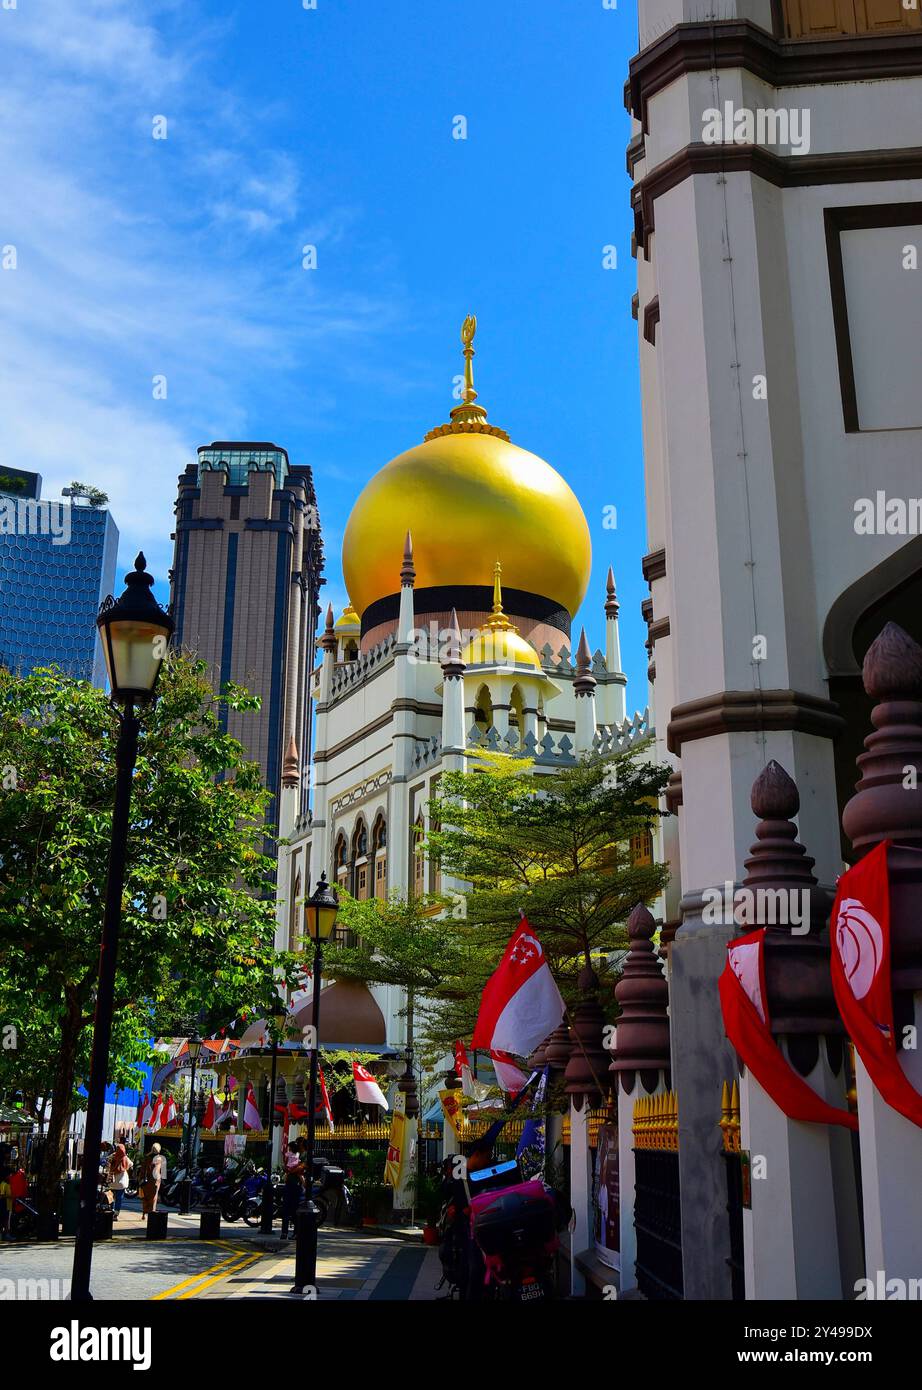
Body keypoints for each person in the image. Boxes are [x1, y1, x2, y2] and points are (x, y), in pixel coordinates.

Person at [280, 1137, 306, 1240]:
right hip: (290, 1184)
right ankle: (284, 1232)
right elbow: (286, 1166)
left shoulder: (301, 1156)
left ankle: (294, 1232)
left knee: (294, 1211)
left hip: (295, 1185)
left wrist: (290, 1170)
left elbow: (300, 1169)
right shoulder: (295, 1157)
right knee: (287, 1210)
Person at [105, 1143, 132, 1219]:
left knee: (111, 1197)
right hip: (122, 1183)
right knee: (119, 1198)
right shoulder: (125, 1157)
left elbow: (107, 1165)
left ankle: (111, 1211)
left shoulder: (112, 1156)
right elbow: (131, 1164)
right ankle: (116, 1214)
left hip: (112, 1182)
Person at [140, 1143, 166, 1215]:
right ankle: (152, 1211)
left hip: (147, 1179)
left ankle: (144, 1212)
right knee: (154, 1196)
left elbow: (143, 1169)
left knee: (146, 1196)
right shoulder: (160, 1158)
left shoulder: (147, 1157)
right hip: (156, 1179)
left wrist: (141, 1178)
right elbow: (161, 1170)